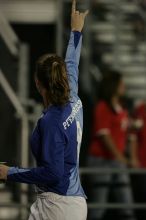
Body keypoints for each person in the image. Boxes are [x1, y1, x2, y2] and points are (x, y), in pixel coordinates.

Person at [0, 1, 89, 219]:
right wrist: (76, 31)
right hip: (73, 203)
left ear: (38, 84)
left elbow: (52, 172)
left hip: (56, 206)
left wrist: (8, 173)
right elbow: (72, 63)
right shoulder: (73, 95)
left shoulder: (51, 121)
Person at [88, 71, 136, 220]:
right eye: (121, 83)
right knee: (99, 207)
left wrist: (131, 157)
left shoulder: (122, 107)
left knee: (126, 205)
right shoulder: (102, 106)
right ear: (113, 85)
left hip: (117, 161)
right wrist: (121, 158)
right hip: (101, 161)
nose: (123, 86)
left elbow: (130, 133)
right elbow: (105, 136)